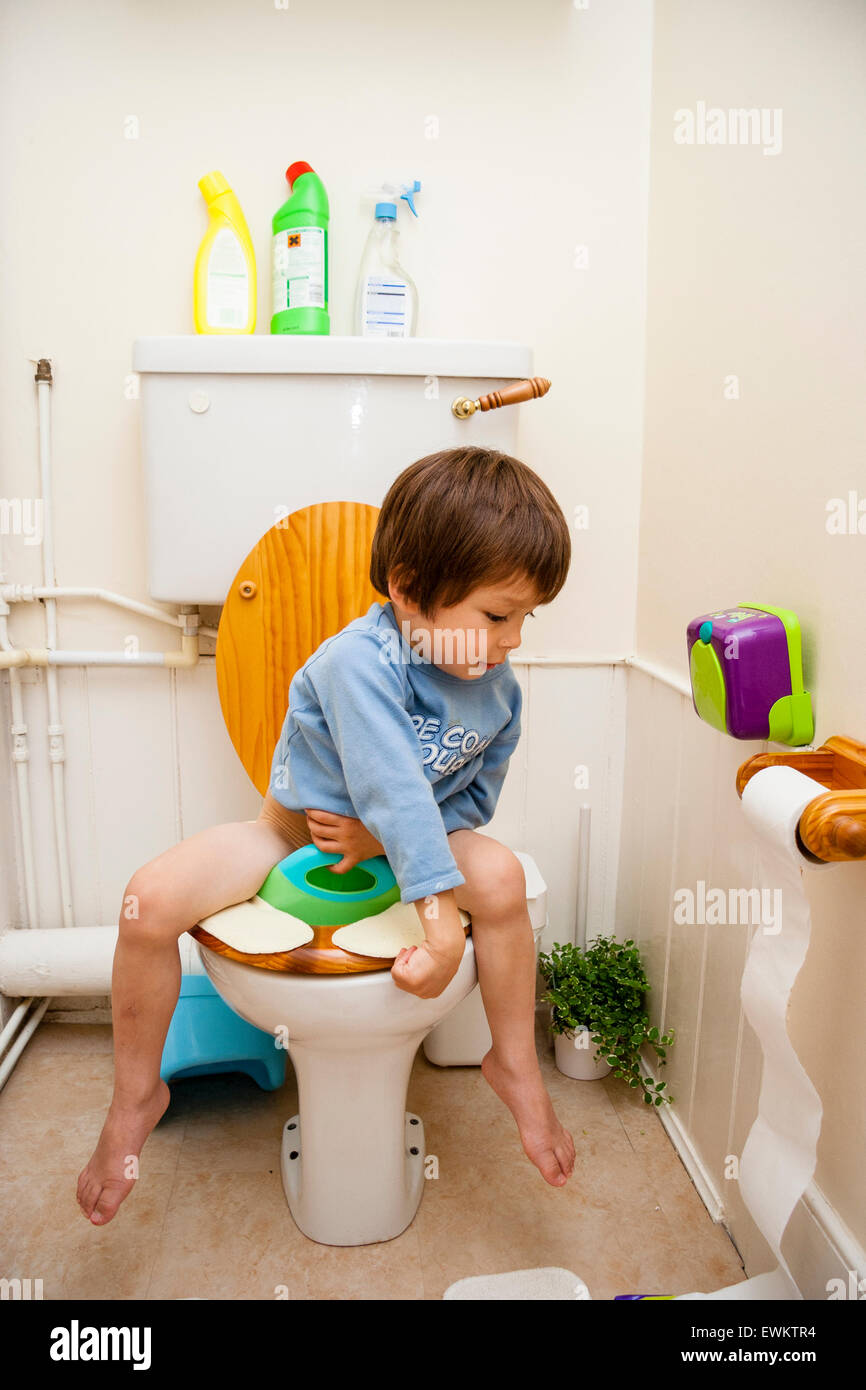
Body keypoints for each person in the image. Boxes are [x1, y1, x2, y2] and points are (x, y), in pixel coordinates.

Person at [77, 447, 575, 1226]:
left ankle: (513, 1063)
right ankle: (136, 1094)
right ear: (409, 591)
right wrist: (440, 926)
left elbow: (462, 808)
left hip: (402, 845)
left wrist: (382, 847)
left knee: (505, 880)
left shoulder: (498, 691)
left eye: (526, 618)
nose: (512, 640)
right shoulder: (358, 662)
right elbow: (392, 788)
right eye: (496, 615)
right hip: (291, 832)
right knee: (150, 899)